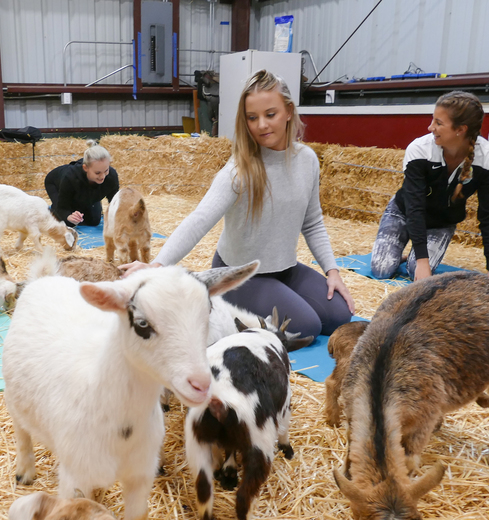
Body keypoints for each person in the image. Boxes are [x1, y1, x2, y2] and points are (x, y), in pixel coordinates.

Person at [120, 70, 354, 341]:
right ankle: (225, 301)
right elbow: (200, 218)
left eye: (271, 114)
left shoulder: (307, 160)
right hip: (242, 274)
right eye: (252, 118)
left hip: (286, 269)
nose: (262, 125)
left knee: (339, 315)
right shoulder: (238, 171)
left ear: (289, 111)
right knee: (307, 327)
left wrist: (332, 271)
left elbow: (312, 222)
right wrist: (158, 266)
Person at [370, 91, 489, 290]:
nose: (430, 127)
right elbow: (415, 206)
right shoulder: (419, 149)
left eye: (438, 123)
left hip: (440, 223)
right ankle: (405, 253)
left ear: (460, 129)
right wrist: (423, 261)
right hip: (404, 212)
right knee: (382, 270)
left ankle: (413, 257)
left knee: (413, 272)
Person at [44, 140, 119, 226]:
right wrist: (68, 216)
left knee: (94, 221)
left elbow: (115, 202)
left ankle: (80, 205)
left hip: (86, 190)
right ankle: (54, 209)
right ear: (85, 168)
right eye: (97, 173)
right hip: (55, 183)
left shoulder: (111, 176)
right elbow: (63, 207)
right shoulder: (70, 177)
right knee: (70, 222)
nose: (103, 176)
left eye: (106, 170)